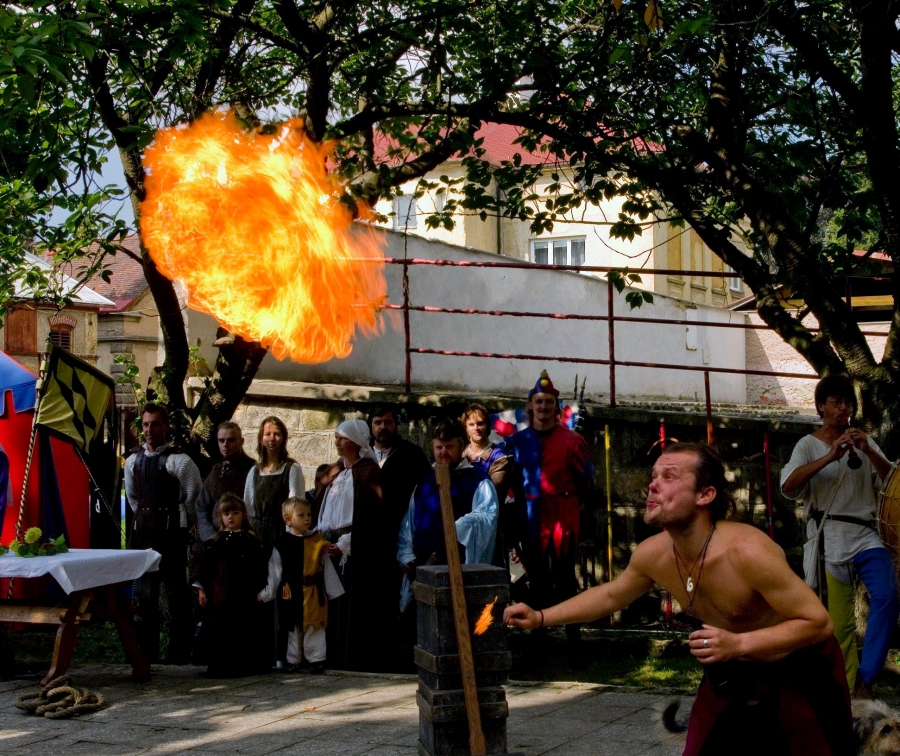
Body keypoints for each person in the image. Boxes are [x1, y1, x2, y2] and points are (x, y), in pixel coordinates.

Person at [505, 442, 854, 755]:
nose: (652, 485)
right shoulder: (653, 554)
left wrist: (739, 643)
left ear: (705, 495)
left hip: (800, 670)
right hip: (730, 670)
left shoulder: (747, 552)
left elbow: (818, 623)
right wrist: (540, 617)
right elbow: (611, 595)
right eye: (653, 476)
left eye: (669, 476)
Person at [781, 375, 897, 699]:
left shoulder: (864, 441)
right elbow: (788, 486)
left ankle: (866, 677)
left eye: (848, 402)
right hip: (829, 537)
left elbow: (892, 483)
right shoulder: (807, 445)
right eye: (837, 402)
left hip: (865, 533)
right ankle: (848, 694)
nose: (844, 408)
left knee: (888, 594)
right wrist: (830, 457)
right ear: (821, 406)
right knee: (840, 623)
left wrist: (868, 450)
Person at [502, 370, 593, 658]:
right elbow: (509, 482)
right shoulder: (516, 443)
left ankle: (574, 643)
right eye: (539, 402)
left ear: (556, 407)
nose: (543, 407)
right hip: (530, 519)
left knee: (565, 581)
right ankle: (539, 642)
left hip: (562, 518)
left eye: (549, 402)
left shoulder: (572, 440)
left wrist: (565, 502)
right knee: (537, 581)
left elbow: (585, 480)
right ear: (531, 406)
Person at [125, 402, 202, 664]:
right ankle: (146, 655)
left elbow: (193, 498)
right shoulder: (132, 462)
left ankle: (179, 656)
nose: (149, 429)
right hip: (143, 536)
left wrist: (178, 521)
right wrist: (147, 519)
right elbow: (134, 499)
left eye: (155, 424)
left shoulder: (180, 461)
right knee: (144, 595)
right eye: (146, 424)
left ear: (166, 426)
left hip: (171, 536)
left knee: (176, 595)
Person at [397, 418, 500, 611]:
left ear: (462, 447)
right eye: (439, 447)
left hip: (459, 567)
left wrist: (458, 528)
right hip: (424, 566)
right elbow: (409, 522)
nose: (443, 452)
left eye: (449, 446)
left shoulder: (478, 480)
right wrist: (406, 555)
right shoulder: (425, 482)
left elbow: (487, 516)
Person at [317, 419, 395, 671]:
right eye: (336, 438)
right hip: (328, 546)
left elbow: (372, 519)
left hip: (355, 548)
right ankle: (330, 658)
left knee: (351, 606)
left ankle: (351, 660)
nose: (337, 442)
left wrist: (346, 544)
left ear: (355, 441)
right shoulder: (335, 472)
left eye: (342, 438)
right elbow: (322, 508)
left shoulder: (369, 472)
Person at [258, 497, 344, 673]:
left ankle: (316, 659)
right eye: (301, 515)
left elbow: (326, 568)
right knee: (293, 626)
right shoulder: (282, 543)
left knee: (315, 626)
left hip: (313, 592)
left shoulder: (318, 542)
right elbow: (275, 571)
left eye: (309, 515)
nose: (307, 518)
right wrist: (267, 592)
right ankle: (293, 659)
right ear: (288, 519)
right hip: (291, 592)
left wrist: (333, 592)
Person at [194, 492, 269, 677]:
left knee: (243, 628)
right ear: (220, 516)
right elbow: (203, 569)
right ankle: (218, 665)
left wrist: (260, 589)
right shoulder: (214, 543)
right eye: (226, 514)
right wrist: (201, 589)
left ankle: (244, 665)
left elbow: (259, 568)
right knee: (219, 629)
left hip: (244, 594)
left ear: (243, 515)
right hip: (220, 595)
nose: (231, 517)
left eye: (235, 513)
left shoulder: (251, 541)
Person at [244, 416, 305, 553]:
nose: (272, 438)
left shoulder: (292, 469)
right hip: (258, 533)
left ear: (283, 438)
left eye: (277, 434)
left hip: (281, 531)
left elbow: (296, 505)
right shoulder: (254, 471)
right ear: (261, 438)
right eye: (267, 434)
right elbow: (248, 507)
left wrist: (290, 537)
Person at [369, 405, 432, 530]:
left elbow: (427, 491)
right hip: (367, 528)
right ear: (370, 426)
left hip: (402, 528)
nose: (383, 427)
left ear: (396, 424)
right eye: (378, 422)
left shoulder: (412, 454)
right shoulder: (362, 454)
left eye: (388, 422)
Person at [196, 422, 256, 543]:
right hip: (215, 539)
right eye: (221, 441)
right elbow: (202, 507)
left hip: (242, 540)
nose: (225, 445)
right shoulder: (216, 470)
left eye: (231, 440)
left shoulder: (253, 470)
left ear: (241, 441)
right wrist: (210, 536)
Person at [462, 403, 512, 495]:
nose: (476, 428)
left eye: (480, 423)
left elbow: (492, 494)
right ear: (466, 428)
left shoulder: (500, 458)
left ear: (487, 425)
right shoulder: (459, 454)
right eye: (471, 424)